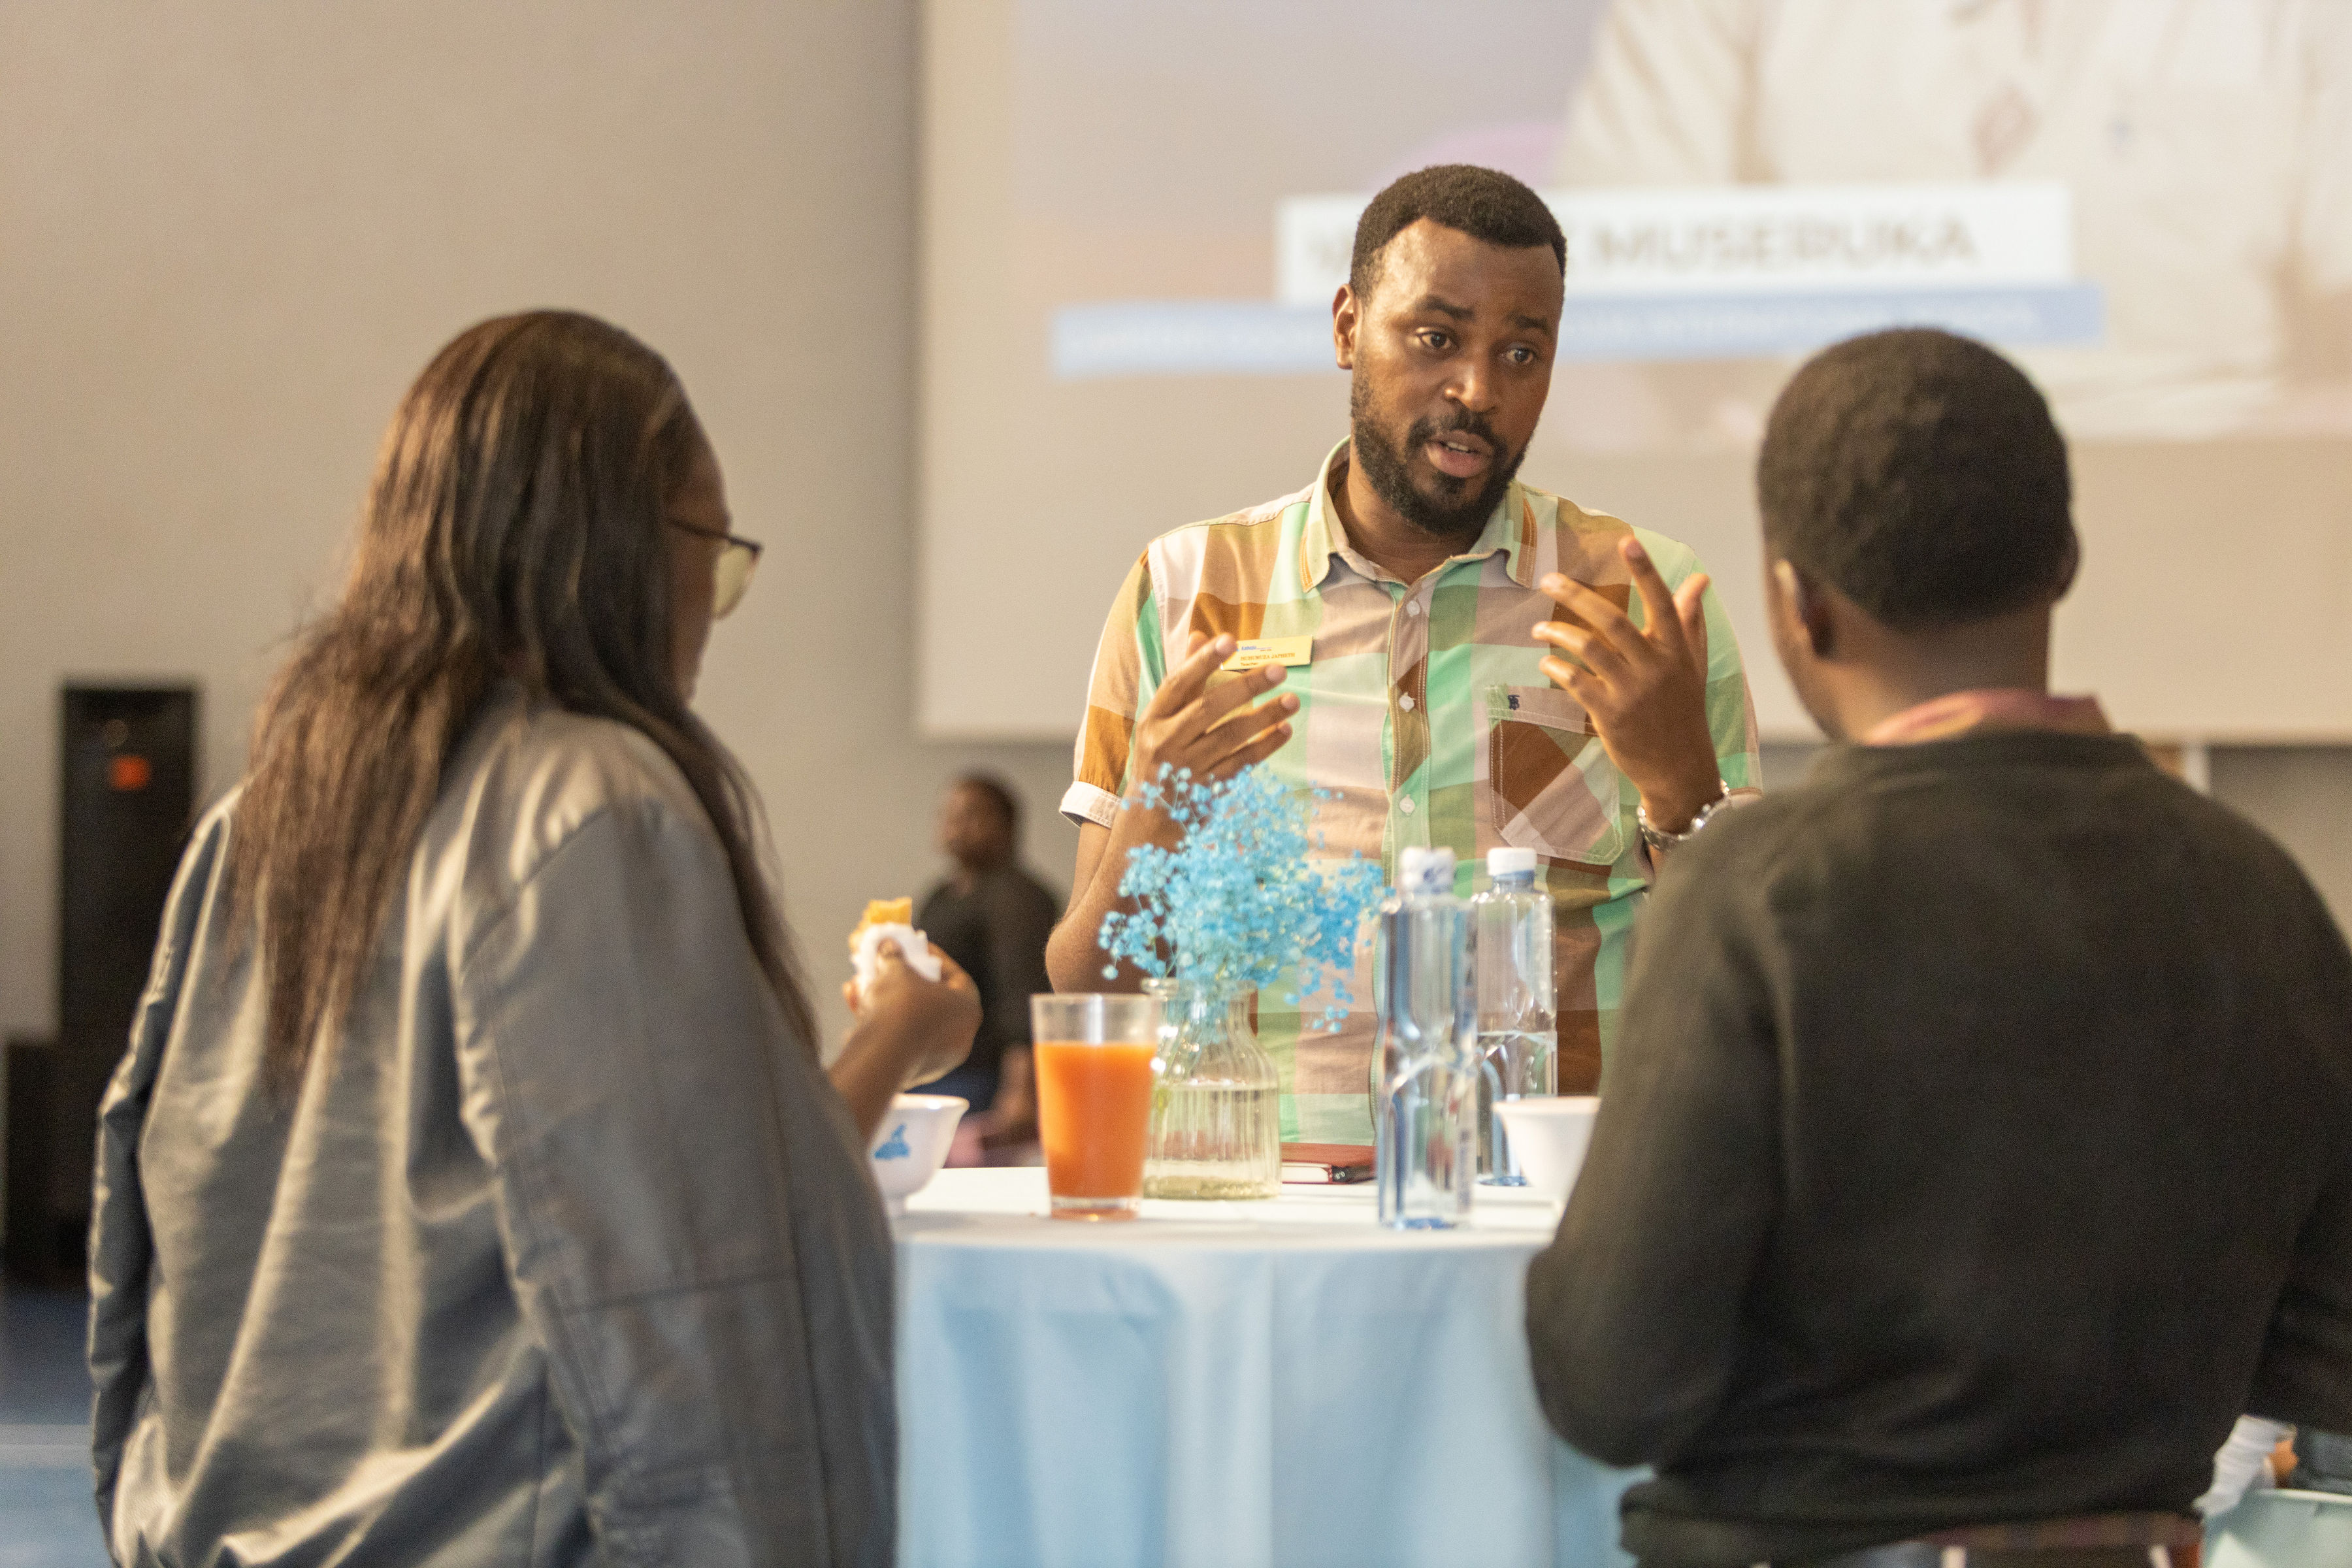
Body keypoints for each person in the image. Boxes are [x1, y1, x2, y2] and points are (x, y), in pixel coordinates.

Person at [86, 312, 979, 1566]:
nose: (714, 607)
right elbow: (696, 1294)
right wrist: (897, 1036)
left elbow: (158, 1257)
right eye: (714, 550)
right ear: (617, 544)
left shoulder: (261, 817)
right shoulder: (596, 811)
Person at [1524, 327, 2352, 1567]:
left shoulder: (1756, 894)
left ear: (1797, 604)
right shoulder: (2262, 894)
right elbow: (2332, 1351)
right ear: (2064, 561)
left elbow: (1611, 1385)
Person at [1046, 164, 1760, 1140]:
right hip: (1258, 1183)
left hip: (1552, 1185)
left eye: (1522, 353)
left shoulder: (1638, 601)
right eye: (1437, 339)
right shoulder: (1185, 590)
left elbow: (1747, 983)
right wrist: (1153, 824)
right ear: (1348, 328)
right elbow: (1089, 990)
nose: (1479, 390)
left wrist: (1683, 795)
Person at [1553, 0, 2352, 446]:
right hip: (1814, 501)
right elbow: (1599, 317)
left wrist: (2287, 479)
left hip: (2204, 485)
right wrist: (1693, 469)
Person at [911, 773, 1057, 1159]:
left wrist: (1020, 1089)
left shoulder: (1019, 899)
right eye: (949, 815)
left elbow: (1024, 994)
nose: (956, 826)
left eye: (972, 814)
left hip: (985, 1078)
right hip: (933, 1070)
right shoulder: (941, 897)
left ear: (1007, 825)